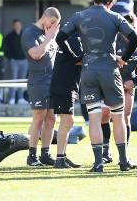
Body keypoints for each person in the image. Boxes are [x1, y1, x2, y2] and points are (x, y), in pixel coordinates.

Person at [55, 0, 137, 173]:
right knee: (117, 117)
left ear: (95, 0)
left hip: (88, 70)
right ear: (109, 3)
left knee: (94, 118)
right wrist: (123, 58)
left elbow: (60, 37)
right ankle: (124, 161)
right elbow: (135, 38)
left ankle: (98, 163)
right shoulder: (115, 17)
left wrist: (74, 57)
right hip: (110, 69)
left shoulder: (79, 16)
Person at [101, 13, 137, 161]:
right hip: (109, 80)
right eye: (128, 28)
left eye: (134, 27)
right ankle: (105, 152)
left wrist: (135, 80)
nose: (131, 32)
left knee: (125, 116)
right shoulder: (112, 38)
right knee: (105, 115)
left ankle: (123, 154)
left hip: (127, 82)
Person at [22, 7, 61, 167]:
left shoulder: (50, 34)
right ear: (45, 17)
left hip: (52, 81)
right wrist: (49, 38)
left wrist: (52, 38)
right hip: (38, 81)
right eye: (52, 23)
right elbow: (36, 54)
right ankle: (32, 156)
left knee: (52, 118)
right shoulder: (30, 33)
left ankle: (45, 154)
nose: (53, 27)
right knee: (39, 116)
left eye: (56, 25)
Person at [49, 29, 84, 169]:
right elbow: (79, 60)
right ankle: (60, 159)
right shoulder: (75, 39)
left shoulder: (71, 38)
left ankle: (62, 156)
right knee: (68, 121)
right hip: (65, 85)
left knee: (66, 121)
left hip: (64, 84)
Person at [4, 19, 28, 105]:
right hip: (14, 61)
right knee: (13, 80)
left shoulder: (25, 35)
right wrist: (10, 57)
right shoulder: (9, 36)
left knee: (22, 80)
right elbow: (5, 48)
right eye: (16, 25)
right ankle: (12, 98)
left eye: (19, 25)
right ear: (13, 26)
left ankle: (21, 98)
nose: (17, 26)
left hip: (24, 60)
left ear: (21, 25)